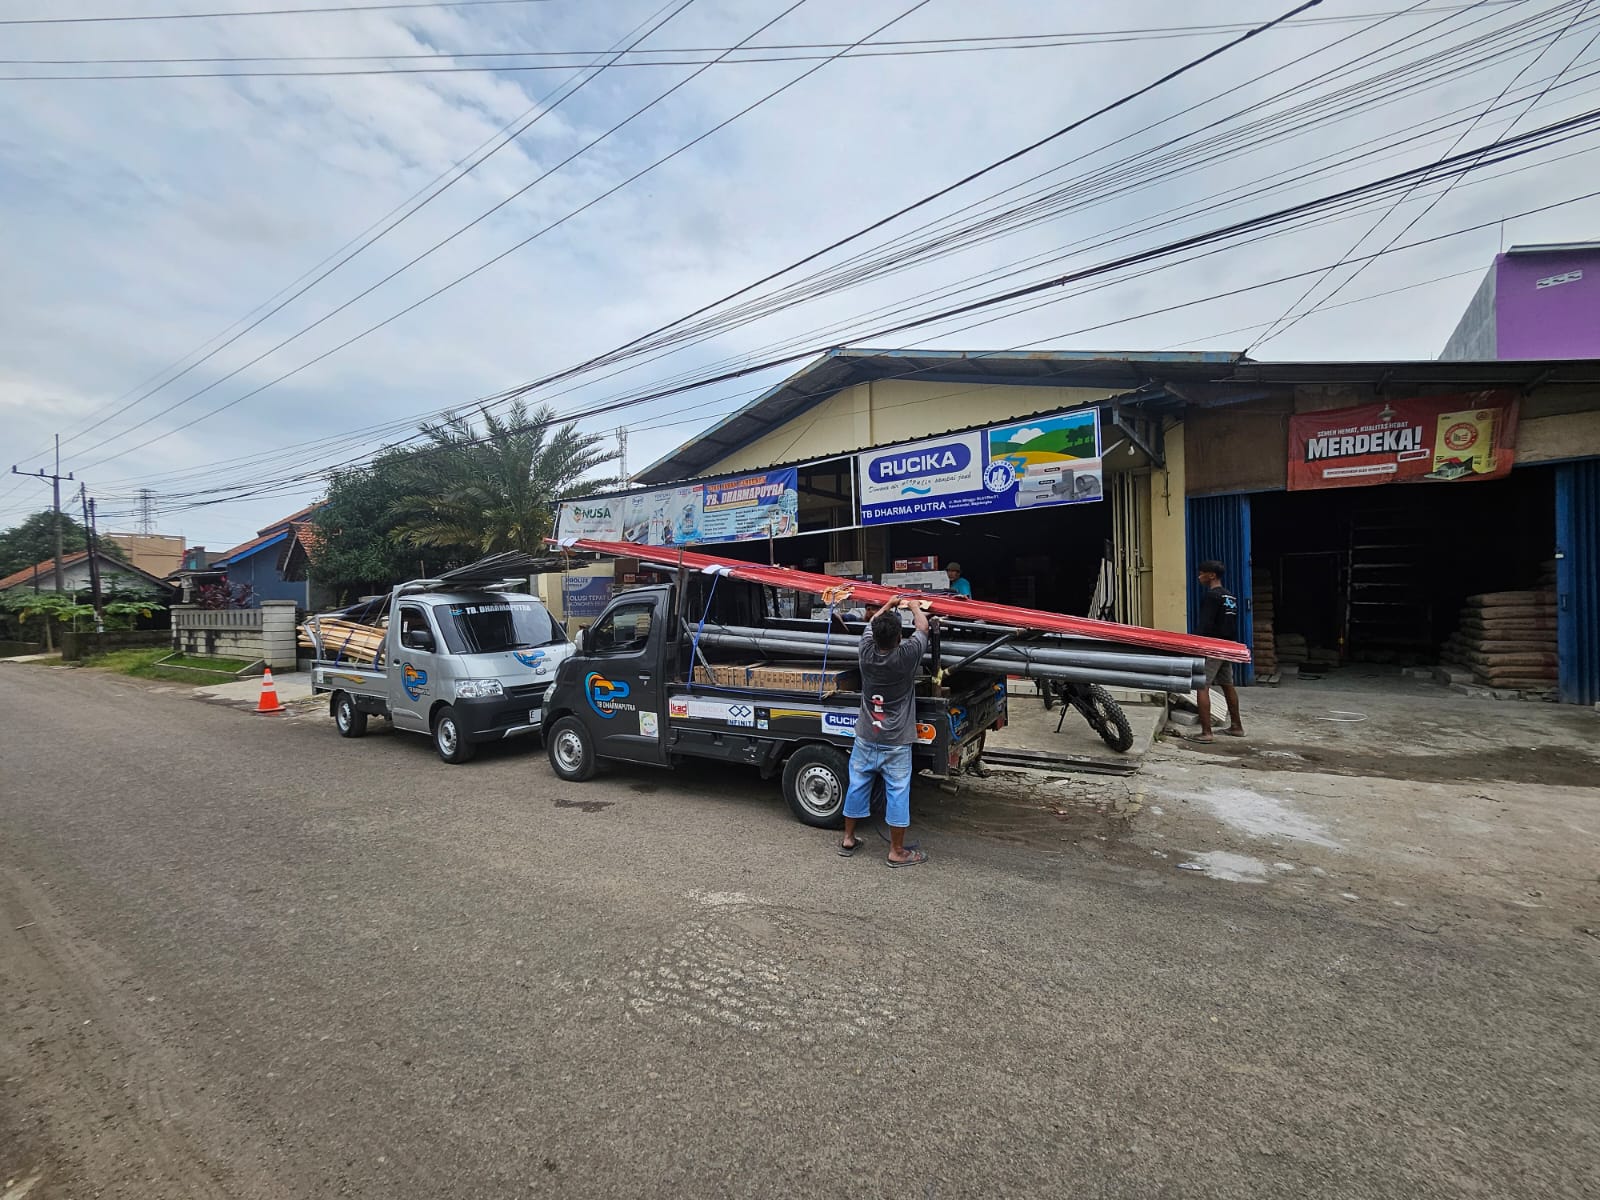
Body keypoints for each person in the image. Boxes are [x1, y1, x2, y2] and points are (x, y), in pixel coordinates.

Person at [839, 596, 930, 867]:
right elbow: (923, 627)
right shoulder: (906, 656)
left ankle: (848, 839)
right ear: (899, 637)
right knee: (898, 793)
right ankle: (896, 851)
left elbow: (872, 624)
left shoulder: (865, 651)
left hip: (867, 736)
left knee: (857, 785)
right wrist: (914, 606)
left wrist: (888, 604)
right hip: (896, 740)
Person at [1192, 559, 1245, 743]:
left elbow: (1205, 624)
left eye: (1202, 573)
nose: (1199, 577)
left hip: (1213, 646)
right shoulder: (1230, 597)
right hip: (1227, 646)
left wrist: (1195, 644)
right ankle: (1237, 726)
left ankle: (1206, 733)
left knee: (1202, 685)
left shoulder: (1211, 596)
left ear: (1211, 575)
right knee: (1227, 685)